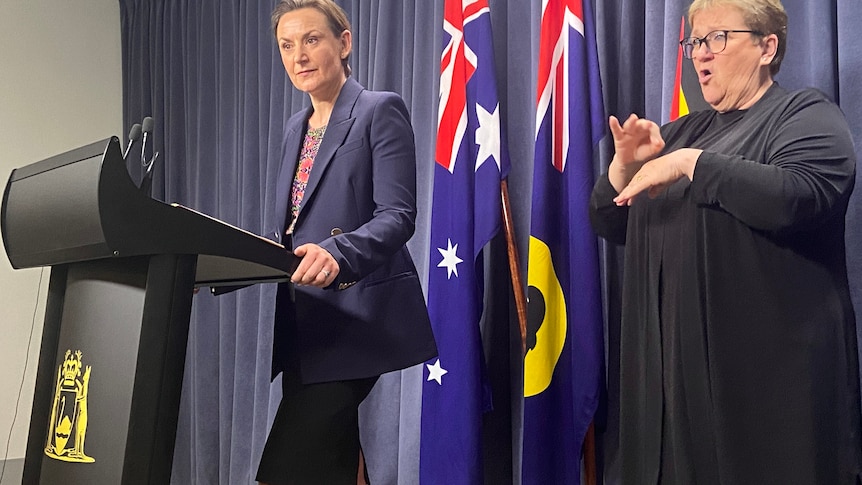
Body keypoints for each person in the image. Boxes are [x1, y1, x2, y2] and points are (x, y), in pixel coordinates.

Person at [589, 0, 862, 483]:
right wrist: (623, 169)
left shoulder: (804, 116)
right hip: (666, 407)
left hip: (764, 406)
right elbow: (611, 224)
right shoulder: (678, 134)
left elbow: (802, 195)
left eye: (718, 38)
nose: (700, 55)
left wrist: (693, 165)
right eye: (695, 41)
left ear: (766, 46)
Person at [257, 1, 437, 483]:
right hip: (304, 320)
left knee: (288, 470)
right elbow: (290, 232)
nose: (299, 56)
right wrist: (210, 267)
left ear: (345, 41)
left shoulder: (379, 110)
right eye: (287, 46)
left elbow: (398, 216)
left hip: (356, 318)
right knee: (334, 466)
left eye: (312, 40)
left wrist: (337, 253)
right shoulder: (295, 127)